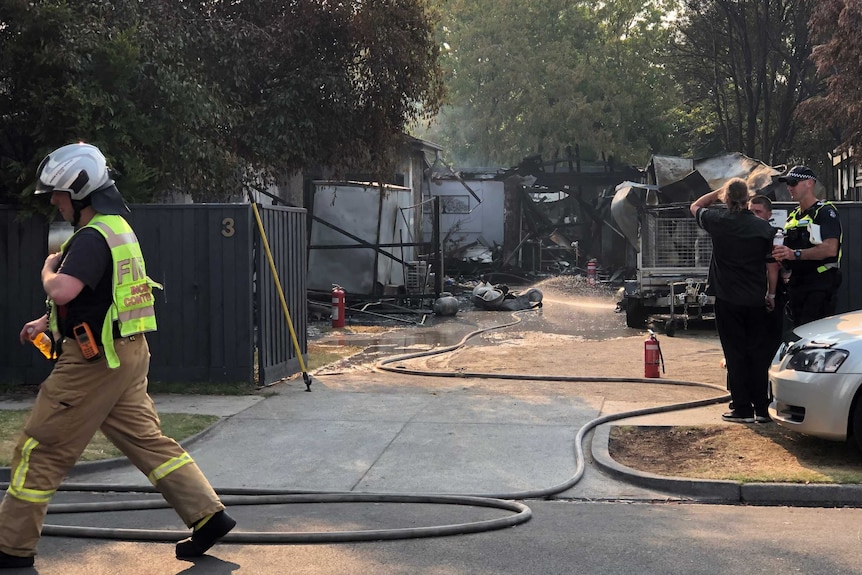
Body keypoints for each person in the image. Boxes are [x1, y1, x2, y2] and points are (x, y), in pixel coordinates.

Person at [0, 143, 235, 569]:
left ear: (79, 191)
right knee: (149, 443)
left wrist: (48, 268)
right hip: (126, 354)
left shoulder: (89, 239)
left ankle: (11, 549)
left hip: (92, 363)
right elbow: (99, 301)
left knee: (41, 448)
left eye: (57, 194)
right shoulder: (117, 229)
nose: (54, 201)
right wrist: (45, 323)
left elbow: (64, 289)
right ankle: (208, 516)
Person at [690, 178, 775, 423]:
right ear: (748, 199)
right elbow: (772, 265)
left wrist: (717, 192)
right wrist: (770, 294)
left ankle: (742, 408)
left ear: (727, 199)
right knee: (757, 353)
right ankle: (762, 406)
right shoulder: (763, 228)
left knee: (734, 352)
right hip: (755, 299)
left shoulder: (718, 221)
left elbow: (695, 206)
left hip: (728, 298)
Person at [772, 166, 842, 327]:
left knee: (814, 333)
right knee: (799, 331)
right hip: (796, 284)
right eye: (788, 183)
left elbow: (830, 248)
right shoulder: (793, 216)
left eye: (793, 182)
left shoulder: (825, 212)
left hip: (820, 283)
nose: (789, 187)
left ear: (809, 183)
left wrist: (794, 254)